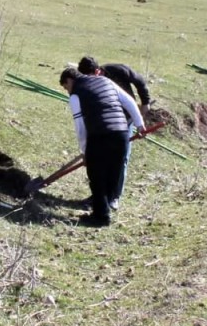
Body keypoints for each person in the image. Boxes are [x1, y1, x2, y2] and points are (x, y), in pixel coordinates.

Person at [59, 67, 145, 228]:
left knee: (96, 176)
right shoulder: (105, 81)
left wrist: (85, 152)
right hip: (121, 133)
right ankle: (104, 209)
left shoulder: (76, 95)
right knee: (113, 172)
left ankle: (101, 217)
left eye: (65, 87)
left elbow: (80, 126)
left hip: (99, 135)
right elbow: (129, 101)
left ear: (70, 80)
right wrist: (140, 124)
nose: (67, 91)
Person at [78, 56, 152, 115]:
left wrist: (145, 102)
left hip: (126, 110)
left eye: (90, 77)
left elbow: (139, 81)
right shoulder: (85, 82)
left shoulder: (118, 70)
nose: (89, 81)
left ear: (97, 71)